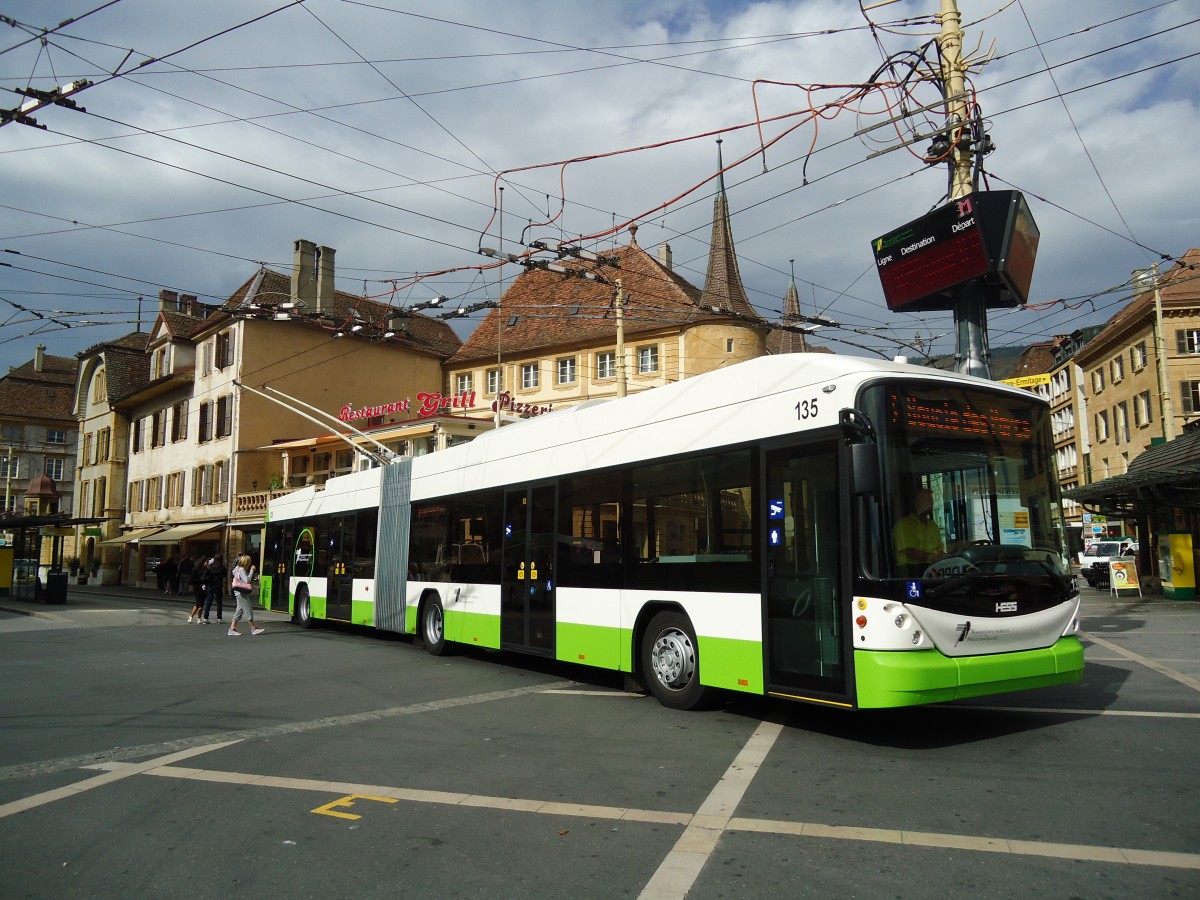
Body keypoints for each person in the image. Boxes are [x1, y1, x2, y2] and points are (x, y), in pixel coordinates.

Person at [892, 487, 945, 568]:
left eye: (931, 500)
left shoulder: (933, 525)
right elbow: (909, 552)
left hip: (933, 567)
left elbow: (940, 549)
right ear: (916, 503)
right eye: (927, 501)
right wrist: (931, 557)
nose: (931, 503)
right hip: (911, 571)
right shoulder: (903, 525)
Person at [227, 554, 264, 636]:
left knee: (239, 611)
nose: (250, 563)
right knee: (248, 609)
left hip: (238, 591)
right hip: (241, 592)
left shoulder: (237, 569)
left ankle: (232, 629)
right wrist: (252, 571)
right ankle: (253, 628)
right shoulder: (242, 570)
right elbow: (246, 580)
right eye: (249, 562)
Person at [202, 554, 227, 624]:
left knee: (208, 602)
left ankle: (205, 618)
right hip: (218, 586)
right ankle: (219, 618)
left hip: (210, 585)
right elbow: (224, 576)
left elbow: (204, 576)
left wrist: (205, 583)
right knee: (219, 603)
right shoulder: (222, 567)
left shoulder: (209, 566)